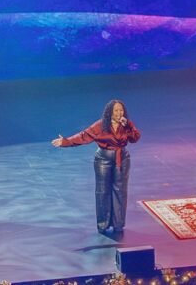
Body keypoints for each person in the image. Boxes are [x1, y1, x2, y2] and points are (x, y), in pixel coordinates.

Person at [53, 99, 141, 235]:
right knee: (102, 191)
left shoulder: (126, 125)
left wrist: (129, 125)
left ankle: (118, 224)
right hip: (103, 160)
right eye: (116, 110)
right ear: (110, 112)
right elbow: (84, 136)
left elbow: (135, 138)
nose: (119, 113)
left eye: (121, 110)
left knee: (120, 191)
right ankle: (103, 224)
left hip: (122, 159)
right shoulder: (101, 125)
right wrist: (65, 142)